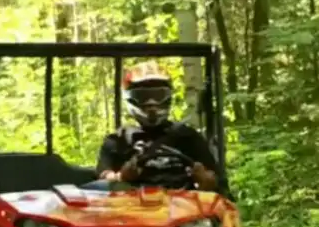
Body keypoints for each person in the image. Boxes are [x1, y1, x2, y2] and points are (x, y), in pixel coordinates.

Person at [95, 61, 229, 195]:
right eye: (143, 97)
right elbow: (102, 179)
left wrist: (205, 180)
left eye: (158, 96)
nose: (152, 104)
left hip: (184, 207)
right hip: (131, 207)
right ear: (131, 99)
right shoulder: (119, 140)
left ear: (167, 97)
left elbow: (217, 182)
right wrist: (121, 177)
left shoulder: (187, 136)